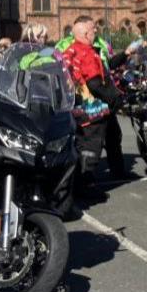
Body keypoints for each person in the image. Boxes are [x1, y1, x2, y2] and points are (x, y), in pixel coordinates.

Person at [62, 16, 126, 197]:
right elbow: (95, 83)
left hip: (79, 105)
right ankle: (84, 187)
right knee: (90, 149)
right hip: (92, 108)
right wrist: (115, 98)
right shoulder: (85, 52)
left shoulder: (69, 50)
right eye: (92, 30)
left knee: (103, 139)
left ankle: (100, 178)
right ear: (84, 33)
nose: (95, 32)